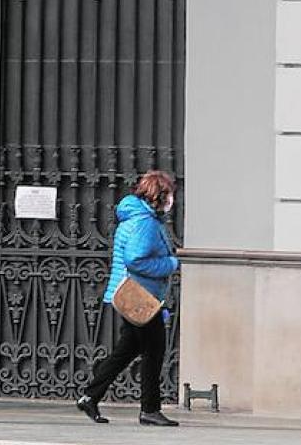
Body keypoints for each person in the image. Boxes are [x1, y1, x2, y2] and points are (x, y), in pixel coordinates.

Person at [77, 170, 181, 428]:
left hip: (131, 294)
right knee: (154, 352)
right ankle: (150, 410)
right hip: (140, 296)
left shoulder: (135, 216)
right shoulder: (144, 222)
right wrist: (170, 263)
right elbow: (136, 259)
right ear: (158, 196)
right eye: (168, 195)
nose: (171, 201)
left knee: (127, 350)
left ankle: (90, 396)